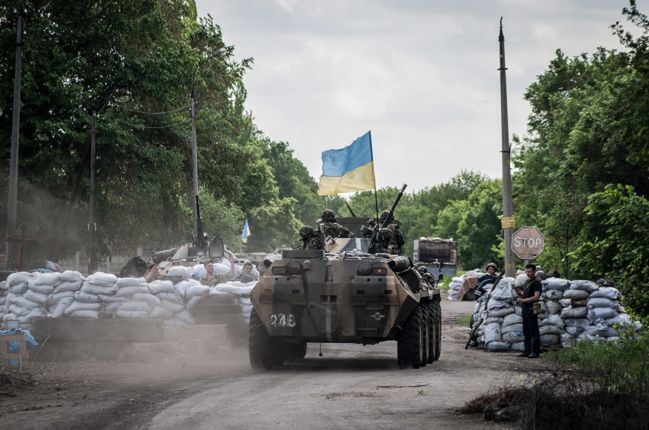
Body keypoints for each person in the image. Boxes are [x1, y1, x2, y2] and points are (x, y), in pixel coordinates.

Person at [516, 263, 542, 358]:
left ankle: (535, 352)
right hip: (525, 308)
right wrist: (520, 294)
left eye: (530, 272)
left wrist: (523, 300)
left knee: (534, 330)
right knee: (526, 330)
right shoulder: (527, 281)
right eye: (526, 272)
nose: (528, 273)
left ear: (534, 271)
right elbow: (526, 293)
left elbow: (536, 296)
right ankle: (527, 350)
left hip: (532, 307)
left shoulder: (537, 282)